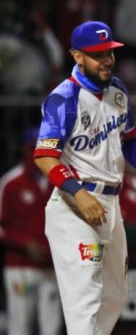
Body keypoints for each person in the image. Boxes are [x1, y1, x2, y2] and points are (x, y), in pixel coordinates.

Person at [33, 20, 136, 334]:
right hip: (75, 204)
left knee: (115, 296)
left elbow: (130, 141)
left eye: (109, 52)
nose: (107, 60)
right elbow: (45, 156)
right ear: (77, 56)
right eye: (97, 54)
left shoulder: (117, 91)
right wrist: (78, 193)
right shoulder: (64, 98)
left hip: (109, 204)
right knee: (85, 297)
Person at [0, 128, 62, 335]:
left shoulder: (60, 182)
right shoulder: (11, 183)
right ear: (26, 150)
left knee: (51, 328)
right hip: (20, 267)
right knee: (20, 327)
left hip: (51, 266)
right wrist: (24, 242)